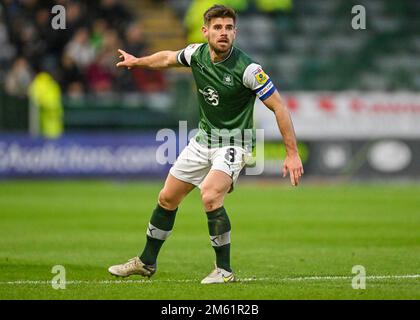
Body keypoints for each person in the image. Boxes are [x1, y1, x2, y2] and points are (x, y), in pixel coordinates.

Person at [108, 5, 304, 284]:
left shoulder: (248, 69)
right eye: (217, 27)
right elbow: (166, 59)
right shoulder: (196, 54)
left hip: (235, 143)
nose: (223, 33)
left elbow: (279, 107)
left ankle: (224, 270)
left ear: (235, 33)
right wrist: (137, 61)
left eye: (228, 28)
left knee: (210, 195)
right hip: (203, 139)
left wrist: (292, 153)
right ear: (206, 31)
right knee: (167, 198)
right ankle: (146, 262)